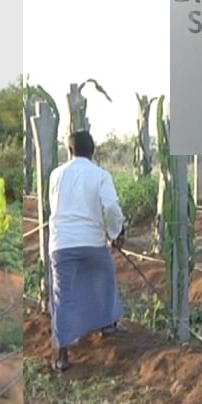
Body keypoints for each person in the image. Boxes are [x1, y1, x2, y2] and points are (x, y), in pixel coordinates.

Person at [47, 130, 126, 372]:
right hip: (92, 241)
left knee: (64, 296)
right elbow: (111, 207)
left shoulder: (55, 175)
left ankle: (62, 354)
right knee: (104, 278)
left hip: (61, 244)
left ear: (70, 151)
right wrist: (115, 233)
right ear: (93, 152)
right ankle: (108, 325)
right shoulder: (100, 175)